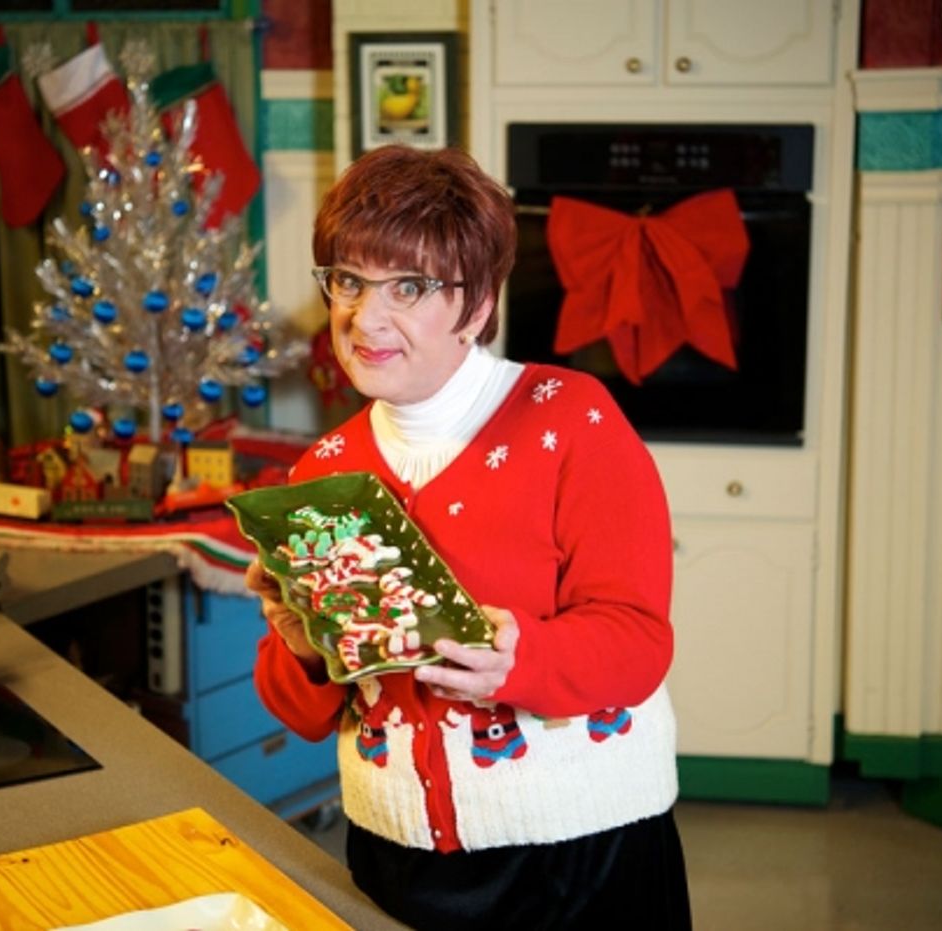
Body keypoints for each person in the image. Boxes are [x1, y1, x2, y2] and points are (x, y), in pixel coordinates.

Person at [244, 145, 690, 929]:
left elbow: (637, 641)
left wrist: (521, 658)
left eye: (407, 287)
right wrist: (304, 645)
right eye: (348, 280)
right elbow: (304, 710)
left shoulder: (574, 421)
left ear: (478, 304)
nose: (364, 317)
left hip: (577, 850)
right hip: (394, 852)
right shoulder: (325, 468)